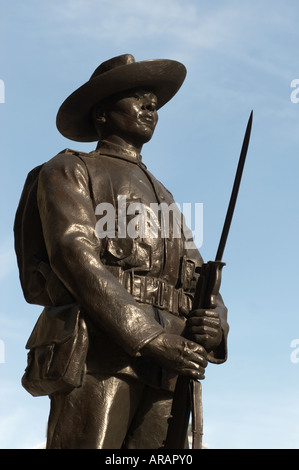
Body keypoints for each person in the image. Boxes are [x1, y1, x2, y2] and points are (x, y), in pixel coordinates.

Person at [17, 54, 229, 449]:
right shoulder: (70, 169)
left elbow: (203, 281)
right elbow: (73, 255)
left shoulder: (164, 196)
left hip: (170, 367)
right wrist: (146, 337)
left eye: (154, 101)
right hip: (102, 357)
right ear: (102, 113)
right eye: (137, 98)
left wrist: (215, 327)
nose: (151, 107)